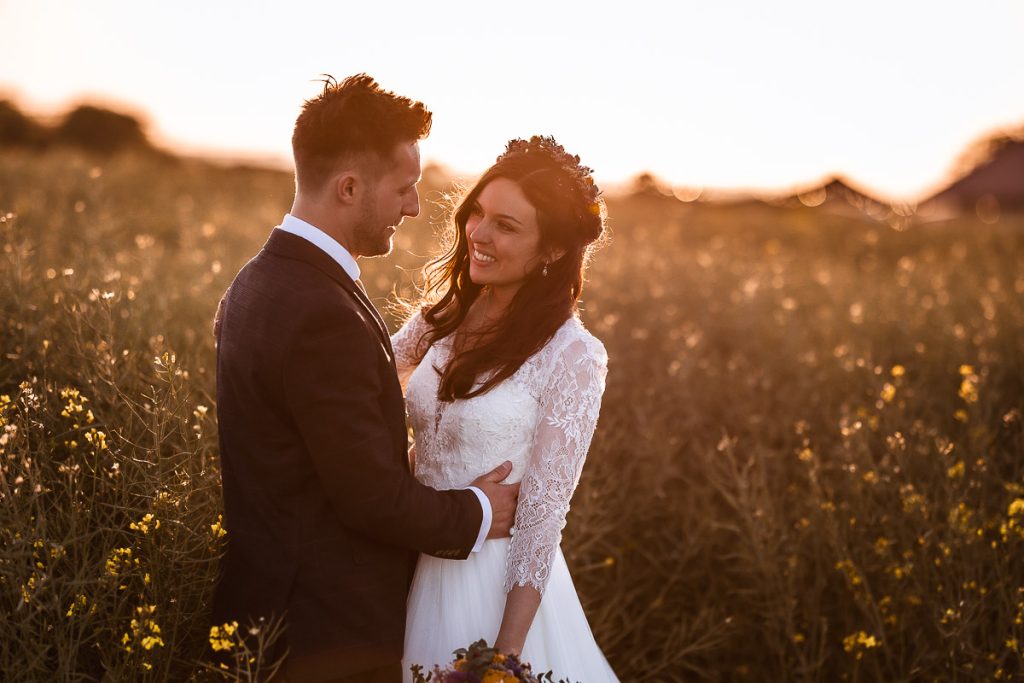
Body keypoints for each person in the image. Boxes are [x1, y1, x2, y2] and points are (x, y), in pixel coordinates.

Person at [211, 74, 520, 683]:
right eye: (404, 189)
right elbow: (369, 500)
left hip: (265, 615)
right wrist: (480, 512)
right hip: (327, 640)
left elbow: (309, 454)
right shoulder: (323, 312)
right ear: (349, 188)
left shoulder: (255, 282)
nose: (412, 206)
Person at [396, 136, 619, 681]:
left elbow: (542, 519)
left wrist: (501, 660)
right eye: (479, 213)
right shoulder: (438, 319)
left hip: (488, 586)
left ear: (552, 251)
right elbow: (365, 393)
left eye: (507, 226)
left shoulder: (574, 357)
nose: (479, 233)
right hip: (408, 556)